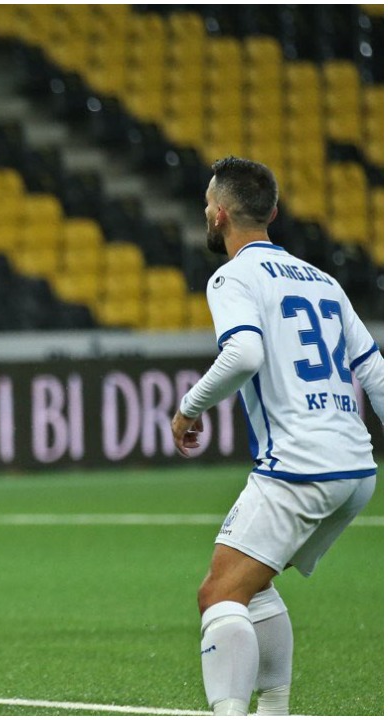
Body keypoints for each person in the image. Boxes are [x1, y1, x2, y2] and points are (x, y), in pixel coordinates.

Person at [171, 157, 382, 716]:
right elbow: (375, 371)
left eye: (205, 209)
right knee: (253, 584)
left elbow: (243, 354)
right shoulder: (324, 281)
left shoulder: (233, 276)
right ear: (275, 212)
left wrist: (189, 409)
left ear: (218, 216)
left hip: (300, 465)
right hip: (357, 471)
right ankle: (274, 709)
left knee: (218, 594)